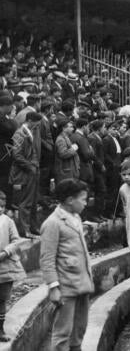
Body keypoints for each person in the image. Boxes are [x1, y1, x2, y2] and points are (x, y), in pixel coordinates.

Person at [40, 179, 94, 351]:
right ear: (70, 200)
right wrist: (53, 287)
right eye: (83, 199)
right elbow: (47, 258)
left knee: (80, 327)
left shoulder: (76, 217)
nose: (86, 203)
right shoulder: (52, 223)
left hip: (82, 282)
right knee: (63, 331)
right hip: (65, 285)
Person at [9, 111, 42, 237]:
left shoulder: (30, 132)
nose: (37, 127)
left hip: (33, 171)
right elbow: (16, 155)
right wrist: (30, 167)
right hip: (24, 173)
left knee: (33, 202)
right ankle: (25, 230)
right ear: (29, 121)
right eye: (36, 124)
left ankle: (33, 227)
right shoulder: (19, 133)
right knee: (25, 202)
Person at [0, 190, 25, 342]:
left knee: (2, 300)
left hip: (5, 267)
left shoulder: (8, 222)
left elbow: (16, 241)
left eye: (2, 206)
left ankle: (0, 329)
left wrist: (5, 253)